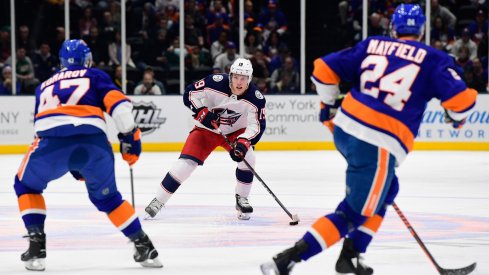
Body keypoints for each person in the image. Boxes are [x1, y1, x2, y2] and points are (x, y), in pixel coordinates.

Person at [260, 4, 478, 275]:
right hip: (377, 143)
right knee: (353, 214)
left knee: (388, 189)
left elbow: (322, 69)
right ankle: (284, 261)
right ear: (422, 31)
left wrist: (328, 106)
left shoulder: (373, 44)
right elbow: (463, 102)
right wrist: (455, 117)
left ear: (393, 28)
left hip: (345, 130)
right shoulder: (433, 58)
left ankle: (351, 257)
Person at [14, 39, 162, 271]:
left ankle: (36, 246)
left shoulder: (43, 85)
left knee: (25, 186)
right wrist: (129, 137)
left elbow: (43, 125)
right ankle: (143, 245)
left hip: (50, 144)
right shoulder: (95, 75)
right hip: (94, 145)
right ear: (87, 59)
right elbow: (121, 110)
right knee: (107, 199)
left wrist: (70, 162)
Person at [145, 58, 266, 220]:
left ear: (249, 79)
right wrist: (201, 112)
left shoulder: (256, 99)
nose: (239, 82)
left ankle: (242, 199)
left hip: (235, 132)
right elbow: (189, 93)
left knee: (249, 158)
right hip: (207, 130)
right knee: (185, 165)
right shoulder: (214, 82)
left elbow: (257, 126)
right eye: (236, 77)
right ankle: (158, 200)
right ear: (230, 76)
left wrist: (244, 142)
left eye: (243, 78)